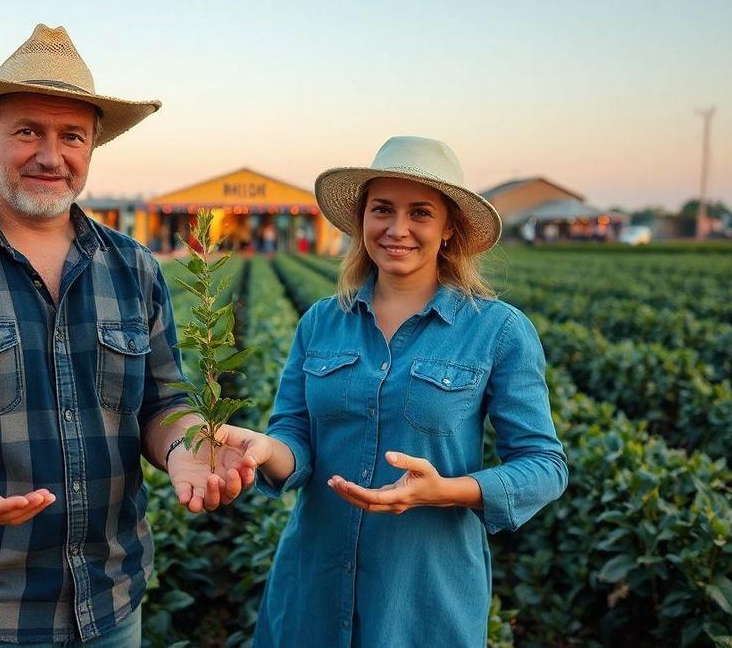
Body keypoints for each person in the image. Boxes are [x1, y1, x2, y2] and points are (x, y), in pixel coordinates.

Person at [0, 24, 257, 647]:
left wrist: (182, 447)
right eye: (28, 130)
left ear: (92, 147)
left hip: (113, 605)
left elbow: (164, 402)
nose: (50, 156)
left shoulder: (134, 268)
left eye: (72, 136)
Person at [224, 136, 569, 646]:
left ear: (449, 228)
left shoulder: (496, 330)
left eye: (420, 213)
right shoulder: (322, 321)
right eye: (382, 209)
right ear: (362, 220)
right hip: (311, 587)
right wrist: (265, 450)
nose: (397, 228)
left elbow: (545, 465)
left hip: (422, 602)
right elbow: (294, 436)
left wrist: (444, 491)